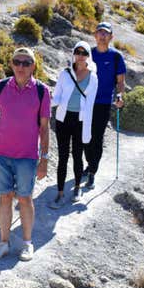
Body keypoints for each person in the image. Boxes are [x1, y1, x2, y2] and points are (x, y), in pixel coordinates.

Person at [0, 47, 51, 262]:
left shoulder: (42, 91)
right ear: (11, 64)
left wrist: (44, 159)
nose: (21, 67)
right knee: (5, 197)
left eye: (26, 63)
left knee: (25, 199)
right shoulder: (0, 87)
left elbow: (44, 128)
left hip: (27, 156)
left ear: (33, 66)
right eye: (17, 62)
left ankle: (27, 243)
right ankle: (3, 243)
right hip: (1, 153)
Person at [49, 41, 98, 207]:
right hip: (63, 119)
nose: (81, 56)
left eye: (84, 53)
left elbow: (90, 105)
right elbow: (57, 97)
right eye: (78, 52)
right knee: (63, 156)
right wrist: (46, 103)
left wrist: (87, 129)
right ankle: (60, 193)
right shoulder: (65, 74)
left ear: (88, 56)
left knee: (77, 155)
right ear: (74, 53)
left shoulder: (93, 78)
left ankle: (77, 187)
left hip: (80, 120)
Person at [84, 22, 126, 190]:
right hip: (86, 102)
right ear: (95, 35)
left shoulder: (116, 56)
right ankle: (89, 165)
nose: (102, 35)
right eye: (99, 32)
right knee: (85, 136)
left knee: (97, 137)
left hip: (103, 103)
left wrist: (120, 96)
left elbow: (121, 81)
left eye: (105, 33)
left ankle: (92, 172)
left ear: (111, 37)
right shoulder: (88, 54)